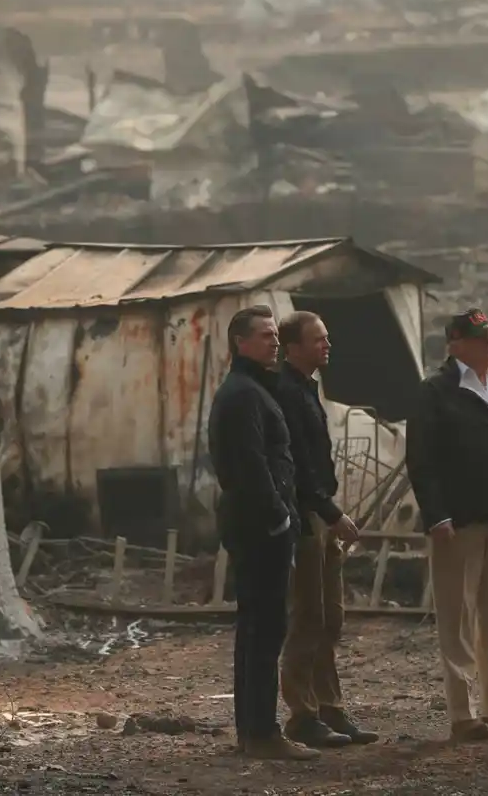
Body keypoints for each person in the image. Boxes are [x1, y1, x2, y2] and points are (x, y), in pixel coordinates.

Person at [405, 308, 488, 742]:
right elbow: (422, 458)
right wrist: (436, 513)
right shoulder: (436, 391)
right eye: (480, 337)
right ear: (456, 343)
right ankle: (463, 714)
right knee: (458, 616)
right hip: (459, 519)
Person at [208, 304, 315, 761]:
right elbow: (252, 466)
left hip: (258, 526)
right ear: (240, 342)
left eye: (275, 335)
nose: (274, 341)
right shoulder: (243, 394)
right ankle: (260, 731)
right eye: (265, 335)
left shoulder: (250, 389)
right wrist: (279, 518)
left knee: (258, 629)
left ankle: (254, 729)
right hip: (260, 529)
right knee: (264, 630)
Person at [273, 311, 378, 748]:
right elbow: (297, 469)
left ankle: (329, 707)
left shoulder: (308, 389)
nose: (326, 345)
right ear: (293, 347)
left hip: (321, 514)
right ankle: (302, 714)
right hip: (305, 516)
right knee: (307, 617)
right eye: (317, 340)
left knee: (329, 617)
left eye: (326, 338)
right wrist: (331, 513)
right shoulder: (285, 393)